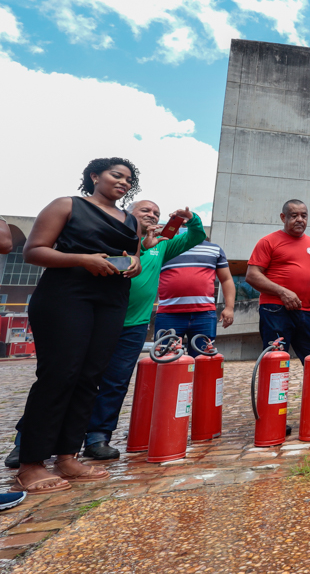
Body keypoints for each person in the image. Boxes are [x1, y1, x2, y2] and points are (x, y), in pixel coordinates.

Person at [12, 158, 142, 495]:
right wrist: (83, 259)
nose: (124, 183)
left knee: (90, 376)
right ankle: (31, 463)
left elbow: (132, 254)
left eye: (129, 179)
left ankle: (68, 456)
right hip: (66, 295)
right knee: (60, 374)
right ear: (94, 176)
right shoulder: (67, 205)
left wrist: (134, 264)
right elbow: (33, 251)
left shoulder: (130, 219)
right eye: (117, 175)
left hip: (112, 299)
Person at [80, 200, 204, 460]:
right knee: (74, 377)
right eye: (145, 211)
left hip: (134, 324)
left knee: (116, 382)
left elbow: (196, 236)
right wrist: (140, 249)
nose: (152, 215)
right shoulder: (113, 234)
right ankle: (31, 441)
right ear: (128, 215)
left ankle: (97, 437)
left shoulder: (162, 244)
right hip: (95, 319)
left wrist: (190, 219)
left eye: (156, 213)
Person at [247, 200, 310, 436]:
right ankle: (271, 413)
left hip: (308, 312)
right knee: (275, 361)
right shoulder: (268, 241)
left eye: (304, 215)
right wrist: (281, 291)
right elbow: (251, 275)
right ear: (283, 217)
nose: (300, 220)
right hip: (275, 310)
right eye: (294, 215)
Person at [153, 234, 236, 356]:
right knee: (165, 360)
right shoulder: (164, 248)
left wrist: (230, 307)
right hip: (168, 314)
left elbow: (226, 279)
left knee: (202, 359)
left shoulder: (215, 249)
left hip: (204, 315)